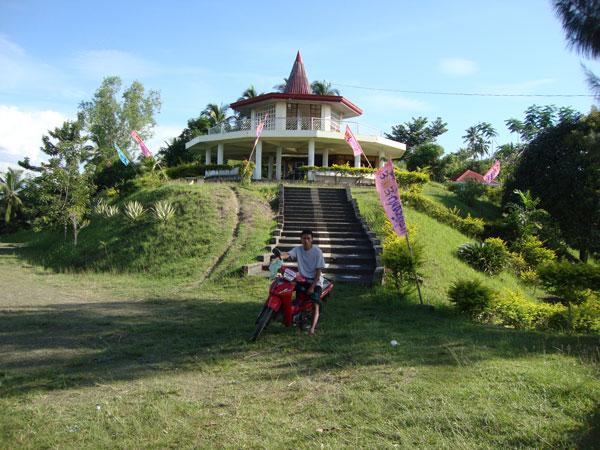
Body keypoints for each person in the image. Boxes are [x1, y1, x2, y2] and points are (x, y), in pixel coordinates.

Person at [278, 229, 325, 337]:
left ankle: (312, 330)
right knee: (286, 287)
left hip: (315, 281)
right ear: (301, 239)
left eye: (308, 238)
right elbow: (288, 254)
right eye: (304, 238)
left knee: (315, 304)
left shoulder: (317, 252)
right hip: (302, 279)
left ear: (312, 240)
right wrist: (279, 258)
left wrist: (312, 287)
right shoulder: (298, 249)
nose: (306, 240)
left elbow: (318, 272)